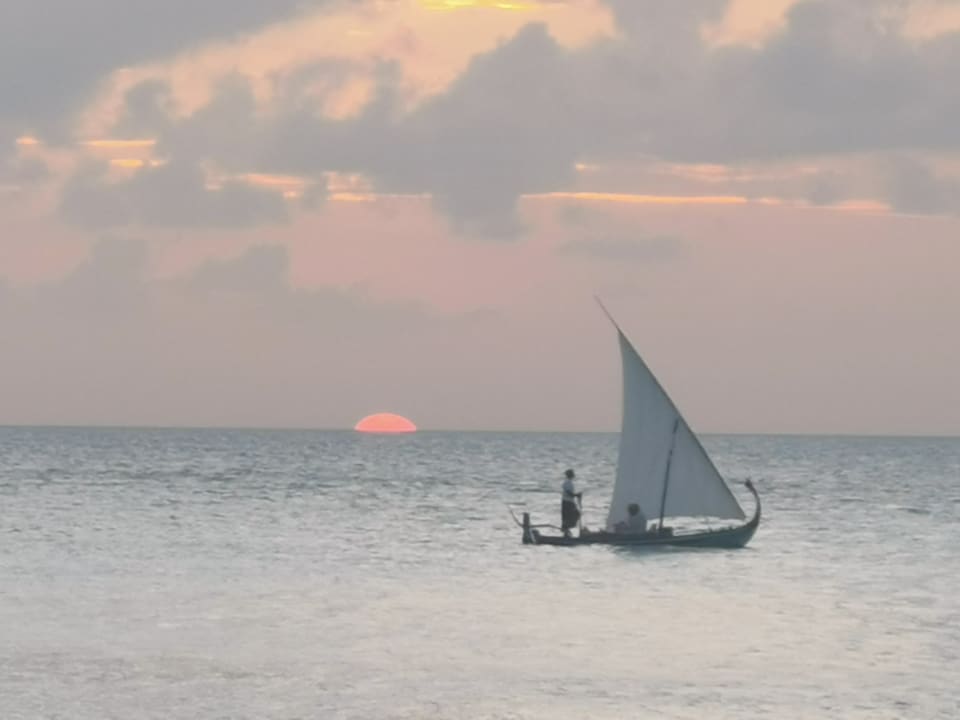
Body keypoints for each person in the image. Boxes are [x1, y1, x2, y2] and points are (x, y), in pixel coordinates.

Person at [561, 468, 581, 537]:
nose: (573, 475)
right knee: (573, 515)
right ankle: (566, 530)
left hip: (570, 502)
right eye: (572, 474)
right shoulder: (567, 482)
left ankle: (566, 530)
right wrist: (576, 495)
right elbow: (568, 492)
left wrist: (576, 495)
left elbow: (570, 493)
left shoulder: (570, 482)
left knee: (575, 515)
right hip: (567, 502)